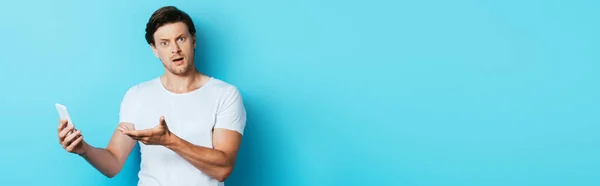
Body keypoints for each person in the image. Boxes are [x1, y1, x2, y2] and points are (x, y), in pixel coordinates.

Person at [56, 6, 247, 186]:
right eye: (165, 43)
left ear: (193, 40)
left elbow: (223, 168)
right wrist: (84, 150)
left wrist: (169, 141)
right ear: (155, 49)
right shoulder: (137, 95)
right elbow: (113, 162)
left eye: (181, 38)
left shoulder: (225, 94)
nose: (175, 49)